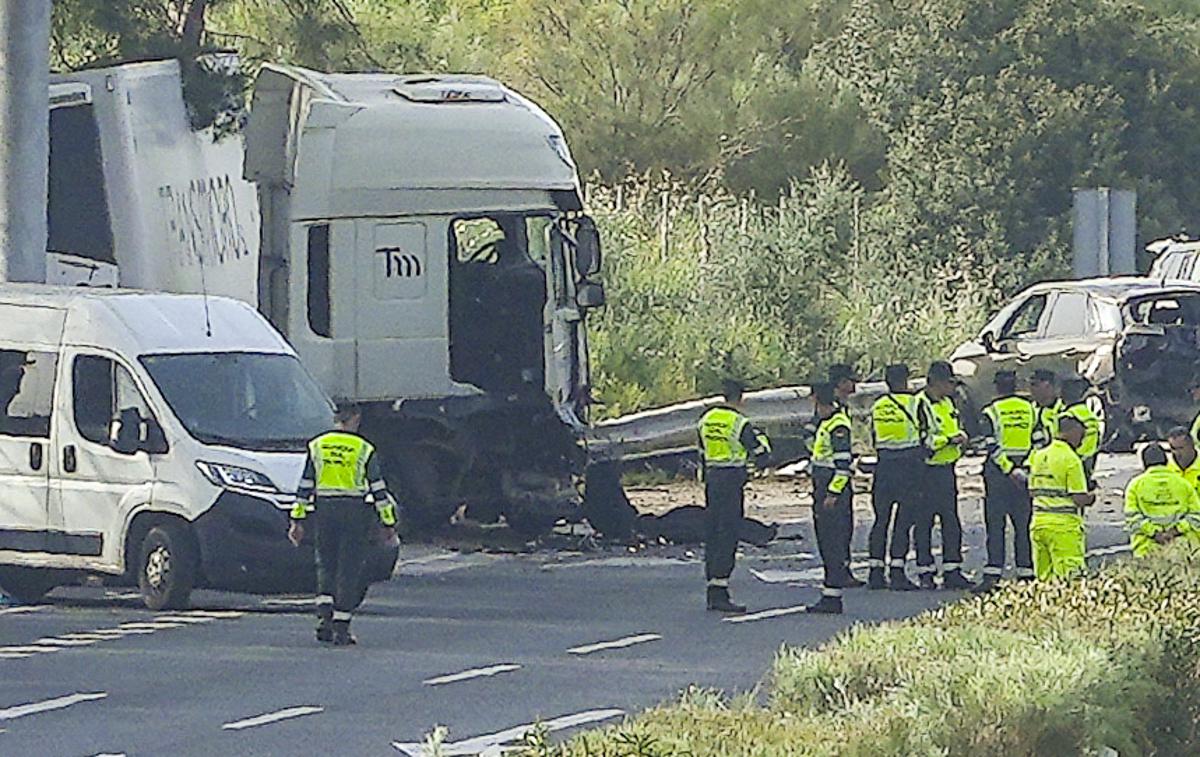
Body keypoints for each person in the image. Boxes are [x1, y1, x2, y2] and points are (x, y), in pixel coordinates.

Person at [289, 402, 399, 645]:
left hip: (325, 510)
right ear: (356, 419)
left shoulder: (317, 445)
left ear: (335, 418)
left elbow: (305, 485)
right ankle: (341, 627)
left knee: (325, 564)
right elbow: (378, 489)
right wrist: (388, 523)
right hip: (354, 512)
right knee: (348, 569)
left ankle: (324, 617)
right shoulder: (364, 448)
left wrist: (297, 520)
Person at [697, 379, 771, 613]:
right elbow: (759, 453)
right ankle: (721, 590)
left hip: (711, 480)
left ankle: (712, 589)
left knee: (713, 532)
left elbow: (701, 451)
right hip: (731, 481)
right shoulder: (740, 422)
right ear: (740, 398)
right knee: (728, 534)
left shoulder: (706, 420)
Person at [868, 363, 930, 591]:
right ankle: (897, 571)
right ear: (905, 380)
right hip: (909, 466)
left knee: (880, 520)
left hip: (884, 465)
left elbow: (873, 435)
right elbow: (926, 434)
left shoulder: (878, 405)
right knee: (903, 521)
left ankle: (875, 572)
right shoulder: (916, 403)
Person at [974, 370, 1037, 592]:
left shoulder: (991, 412)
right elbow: (1039, 441)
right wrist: (1024, 468)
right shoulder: (1030, 409)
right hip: (1024, 474)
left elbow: (991, 446)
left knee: (996, 526)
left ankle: (993, 575)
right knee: (1023, 526)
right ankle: (1026, 574)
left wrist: (1009, 469)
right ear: (1016, 385)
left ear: (997, 387)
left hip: (999, 476)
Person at [916, 361, 972, 589]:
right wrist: (949, 440)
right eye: (949, 383)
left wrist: (961, 439)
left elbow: (954, 427)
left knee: (951, 522)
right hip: (925, 472)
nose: (953, 388)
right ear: (936, 382)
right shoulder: (919, 404)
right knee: (924, 523)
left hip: (947, 470)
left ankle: (952, 570)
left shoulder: (949, 403)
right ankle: (926, 572)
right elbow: (922, 440)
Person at [806, 383, 855, 614]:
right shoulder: (827, 424)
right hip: (823, 488)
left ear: (818, 402)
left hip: (831, 492)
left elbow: (843, 466)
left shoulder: (837, 425)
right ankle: (830, 594)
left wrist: (833, 494)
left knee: (831, 543)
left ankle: (833, 596)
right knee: (826, 544)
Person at [1027, 415, 1095, 581]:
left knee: (1044, 580)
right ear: (1072, 432)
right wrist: (1091, 497)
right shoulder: (1071, 459)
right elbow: (1078, 498)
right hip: (1063, 527)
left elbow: (1031, 490)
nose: (1082, 442)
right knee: (1071, 579)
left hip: (1039, 522)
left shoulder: (1038, 456)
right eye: (1081, 436)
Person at [1124, 443, 1200, 558]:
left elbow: (1132, 519)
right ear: (1166, 461)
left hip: (1146, 550)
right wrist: (1174, 531)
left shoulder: (1135, 486)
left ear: (1144, 464)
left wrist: (1155, 533)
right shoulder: (1184, 484)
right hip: (1182, 549)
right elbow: (1196, 516)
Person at [826, 363, 863, 587]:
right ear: (840, 383)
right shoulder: (831, 408)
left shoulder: (841, 406)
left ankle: (843, 568)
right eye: (851, 380)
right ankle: (839, 570)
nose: (854, 385)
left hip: (841, 471)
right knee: (838, 524)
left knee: (845, 523)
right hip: (834, 474)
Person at [1060, 378, 1101, 485]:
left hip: (1074, 463)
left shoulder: (1069, 416)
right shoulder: (1087, 414)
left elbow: (1066, 444)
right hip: (1088, 461)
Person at [1029, 369, 1062, 448]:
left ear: (1048, 386)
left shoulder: (1063, 408)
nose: (1031, 389)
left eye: (1035, 385)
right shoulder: (1030, 410)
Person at [1167, 426, 1200, 492]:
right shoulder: (1165, 466)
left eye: (1181, 448)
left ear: (1191, 445)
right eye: (1173, 448)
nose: (1177, 453)